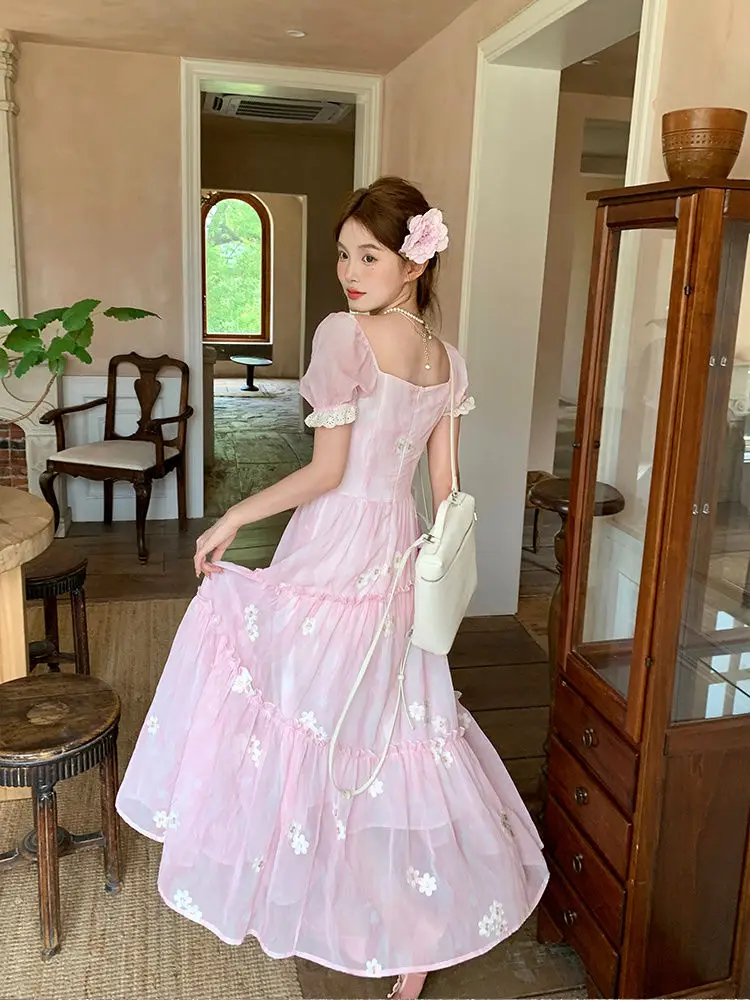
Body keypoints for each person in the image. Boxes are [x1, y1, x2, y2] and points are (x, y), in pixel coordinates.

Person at [116, 176, 548, 1000]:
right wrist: (427, 566)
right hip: (398, 551)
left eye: (369, 255)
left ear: (413, 263)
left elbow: (326, 472)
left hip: (338, 545)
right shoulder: (447, 359)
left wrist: (234, 514)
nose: (350, 272)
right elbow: (446, 489)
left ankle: (298, 873)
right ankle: (414, 921)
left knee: (298, 698)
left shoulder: (345, 336)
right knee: (389, 722)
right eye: (344, 254)